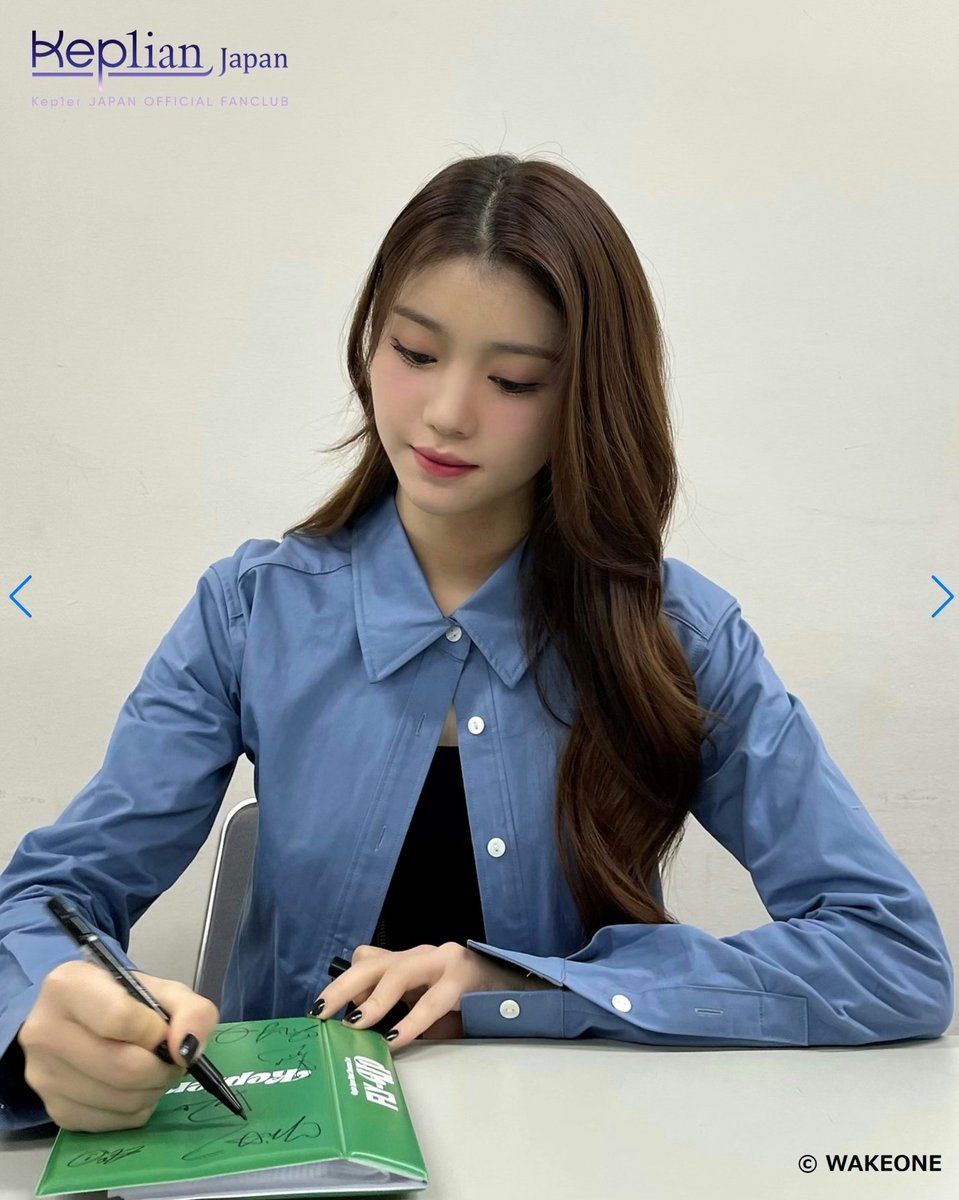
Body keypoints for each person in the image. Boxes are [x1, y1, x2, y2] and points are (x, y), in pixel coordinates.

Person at [0, 152, 953, 1136]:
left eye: (511, 379)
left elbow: (890, 957)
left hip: (579, 1155)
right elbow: (49, 898)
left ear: (585, 394)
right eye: (414, 353)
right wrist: (46, 1014)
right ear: (369, 339)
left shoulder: (680, 638)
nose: (447, 414)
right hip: (283, 1156)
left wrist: (524, 986)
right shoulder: (250, 612)